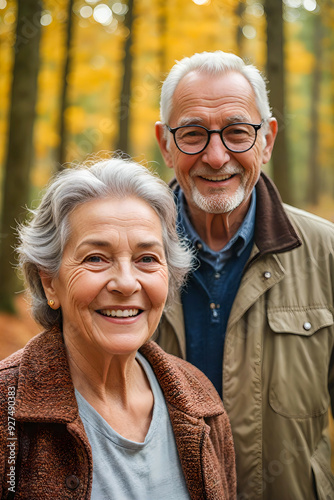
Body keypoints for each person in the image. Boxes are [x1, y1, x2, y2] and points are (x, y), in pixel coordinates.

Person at [0, 157, 236, 499]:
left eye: (147, 259)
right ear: (49, 281)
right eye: (96, 257)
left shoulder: (201, 400)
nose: (126, 283)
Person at [154, 50, 334, 500]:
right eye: (193, 134)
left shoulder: (327, 254)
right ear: (165, 143)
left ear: (267, 140)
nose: (217, 157)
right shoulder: (125, 255)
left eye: (237, 132)